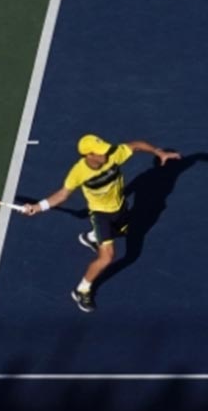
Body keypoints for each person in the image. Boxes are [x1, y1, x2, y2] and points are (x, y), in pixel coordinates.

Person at [24, 134, 181, 312]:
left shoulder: (113, 155)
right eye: (100, 153)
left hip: (120, 208)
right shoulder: (78, 173)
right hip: (101, 215)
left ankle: (91, 237)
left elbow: (135, 145)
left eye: (105, 150)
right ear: (88, 155)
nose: (105, 154)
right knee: (107, 257)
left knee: (124, 231)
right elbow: (62, 195)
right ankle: (81, 290)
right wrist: (38, 206)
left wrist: (157, 151)